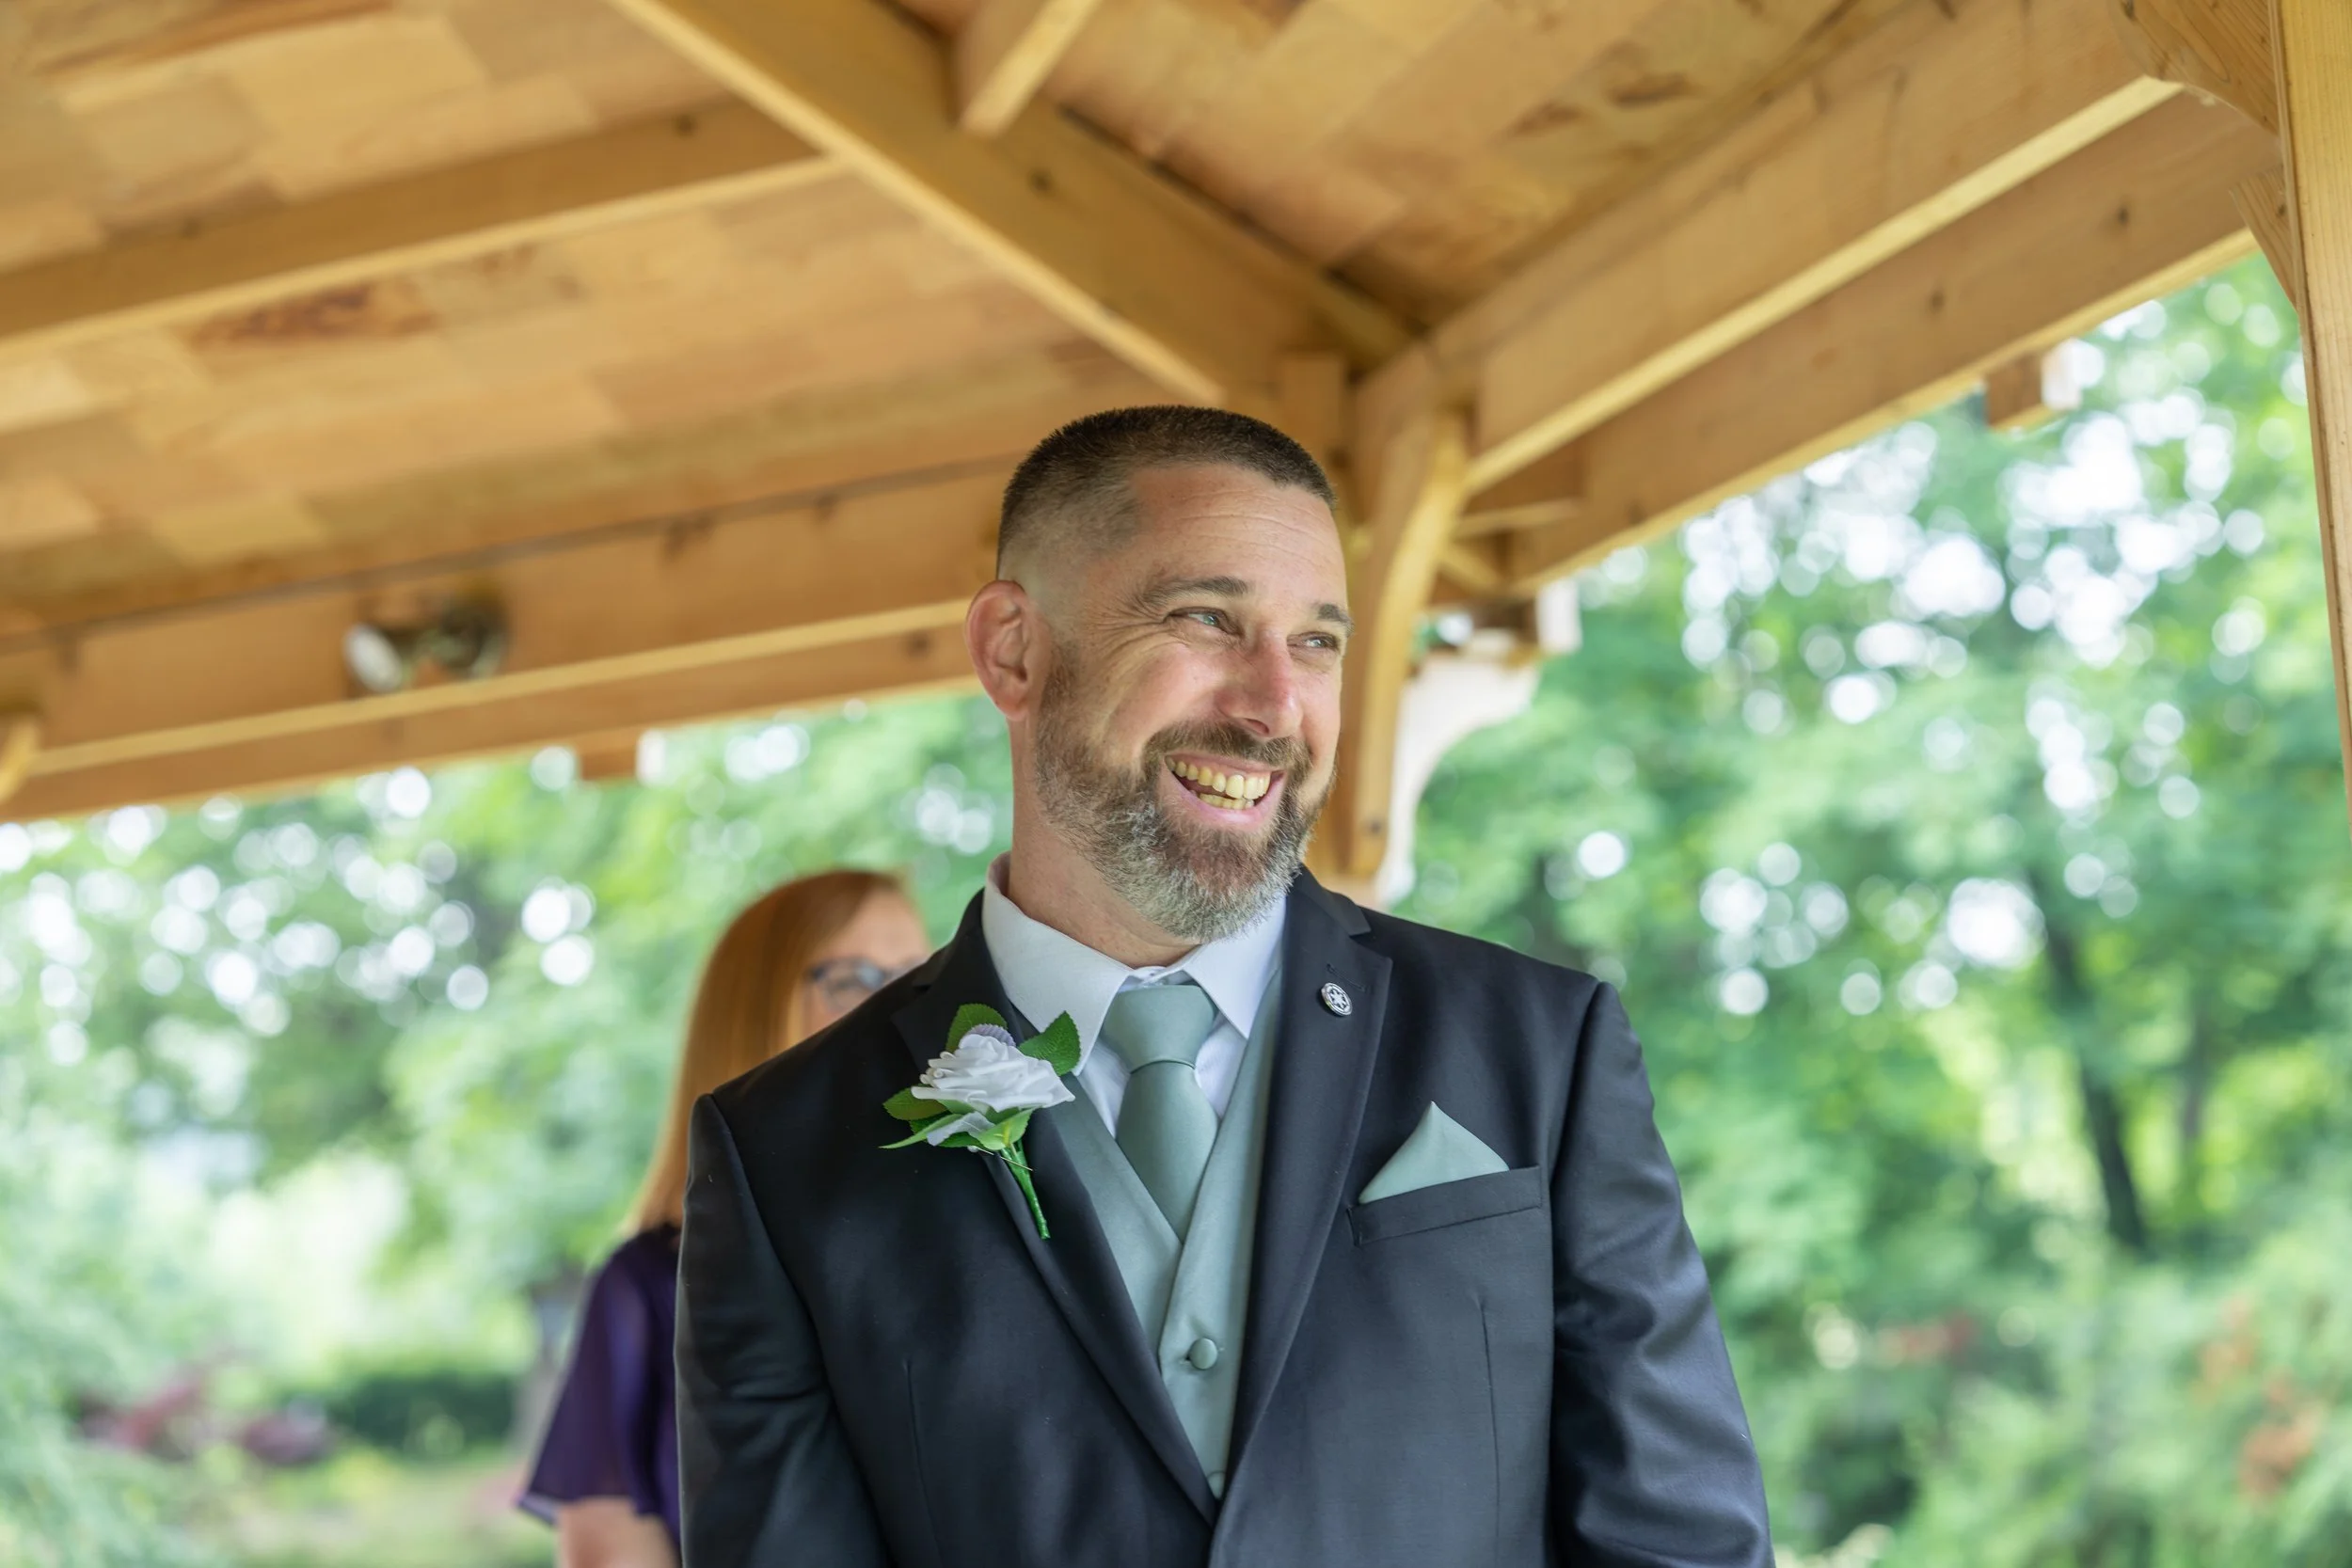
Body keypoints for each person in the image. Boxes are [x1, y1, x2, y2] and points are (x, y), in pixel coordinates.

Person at [677, 407, 1772, 1567]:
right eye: (1207, 618)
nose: (1274, 705)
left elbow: (1681, 1548)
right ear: (1012, 649)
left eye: (1317, 641)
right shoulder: (779, 1154)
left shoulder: (1543, 1050)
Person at [519, 869, 930, 1568]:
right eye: (853, 978)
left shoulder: (967, 1236)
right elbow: (607, 1555)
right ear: (755, 1010)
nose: (895, 1008)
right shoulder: (648, 1286)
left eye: (918, 978)